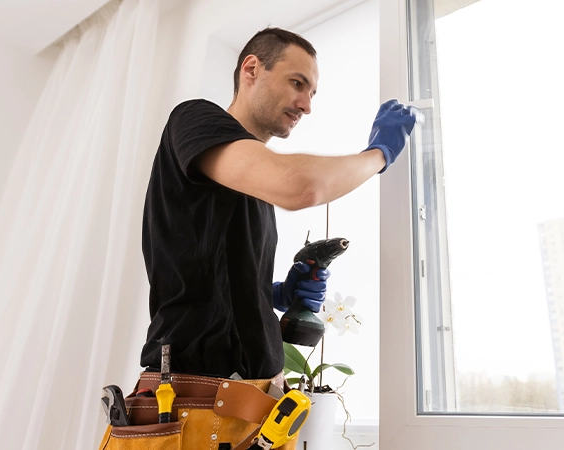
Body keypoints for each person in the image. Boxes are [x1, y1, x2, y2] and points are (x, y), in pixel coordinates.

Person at [113, 27, 417, 449]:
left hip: (259, 417)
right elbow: (302, 187)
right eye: (298, 83)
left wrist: (275, 294)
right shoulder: (194, 119)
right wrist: (379, 154)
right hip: (196, 409)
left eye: (313, 93)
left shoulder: (252, 189)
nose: (306, 105)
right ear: (251, 69)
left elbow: (206, 274)